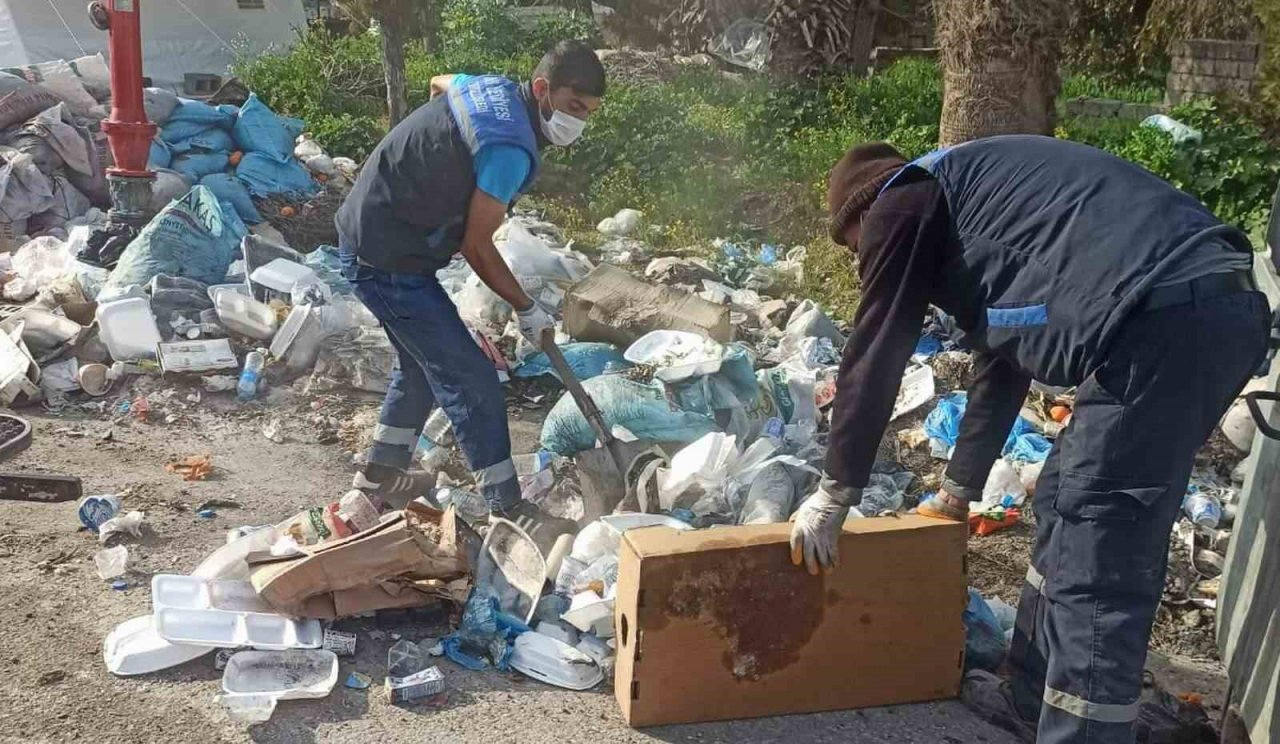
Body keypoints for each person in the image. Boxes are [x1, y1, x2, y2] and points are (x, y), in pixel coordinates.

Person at [791, 135, 1272, 743]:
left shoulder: (902, 202)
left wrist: (836, 490)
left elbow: (879, 343)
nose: (865, 260)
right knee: (1063, 502)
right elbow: (1004, 360)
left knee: (1098, 551)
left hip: (1164, 320)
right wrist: (956, 491)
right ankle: (1029, 695)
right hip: (1198, 311)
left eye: (857, 249)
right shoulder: (973, 213)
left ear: (862, 214)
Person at [335, 41, 605, 543]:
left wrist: (430, 159)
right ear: (542, 90)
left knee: (419, 366)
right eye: (573, 107)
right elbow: (477, 245)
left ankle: (377, 479)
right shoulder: (507, 151)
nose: (578, 123)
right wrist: (526, 309)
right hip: (386, 258)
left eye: (588, 114)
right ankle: (507, 509)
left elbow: (442, 83)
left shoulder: (488, 90)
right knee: (471, 376)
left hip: (378, 233)